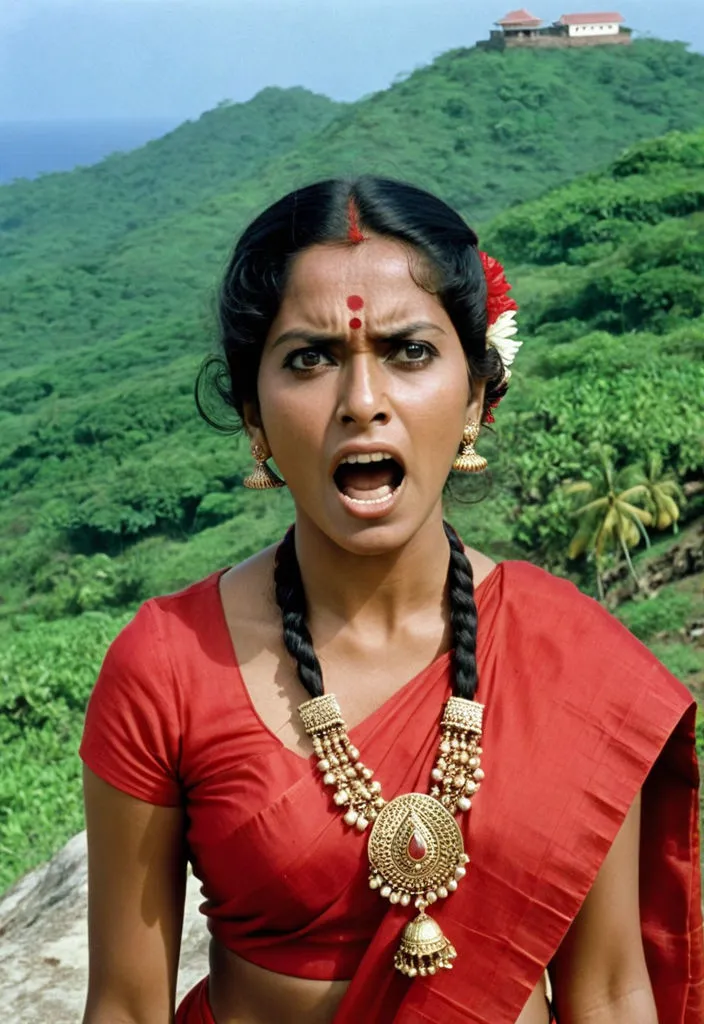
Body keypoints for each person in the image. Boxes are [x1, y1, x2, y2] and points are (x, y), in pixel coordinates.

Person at [79, 177, 703, 1024]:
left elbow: (612, 990)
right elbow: (124, 1007)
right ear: (252, 416)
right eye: (309, 359)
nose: (363, 403)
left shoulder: (577, 661)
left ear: (478, 394)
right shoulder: (168, 668)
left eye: (410, 352)